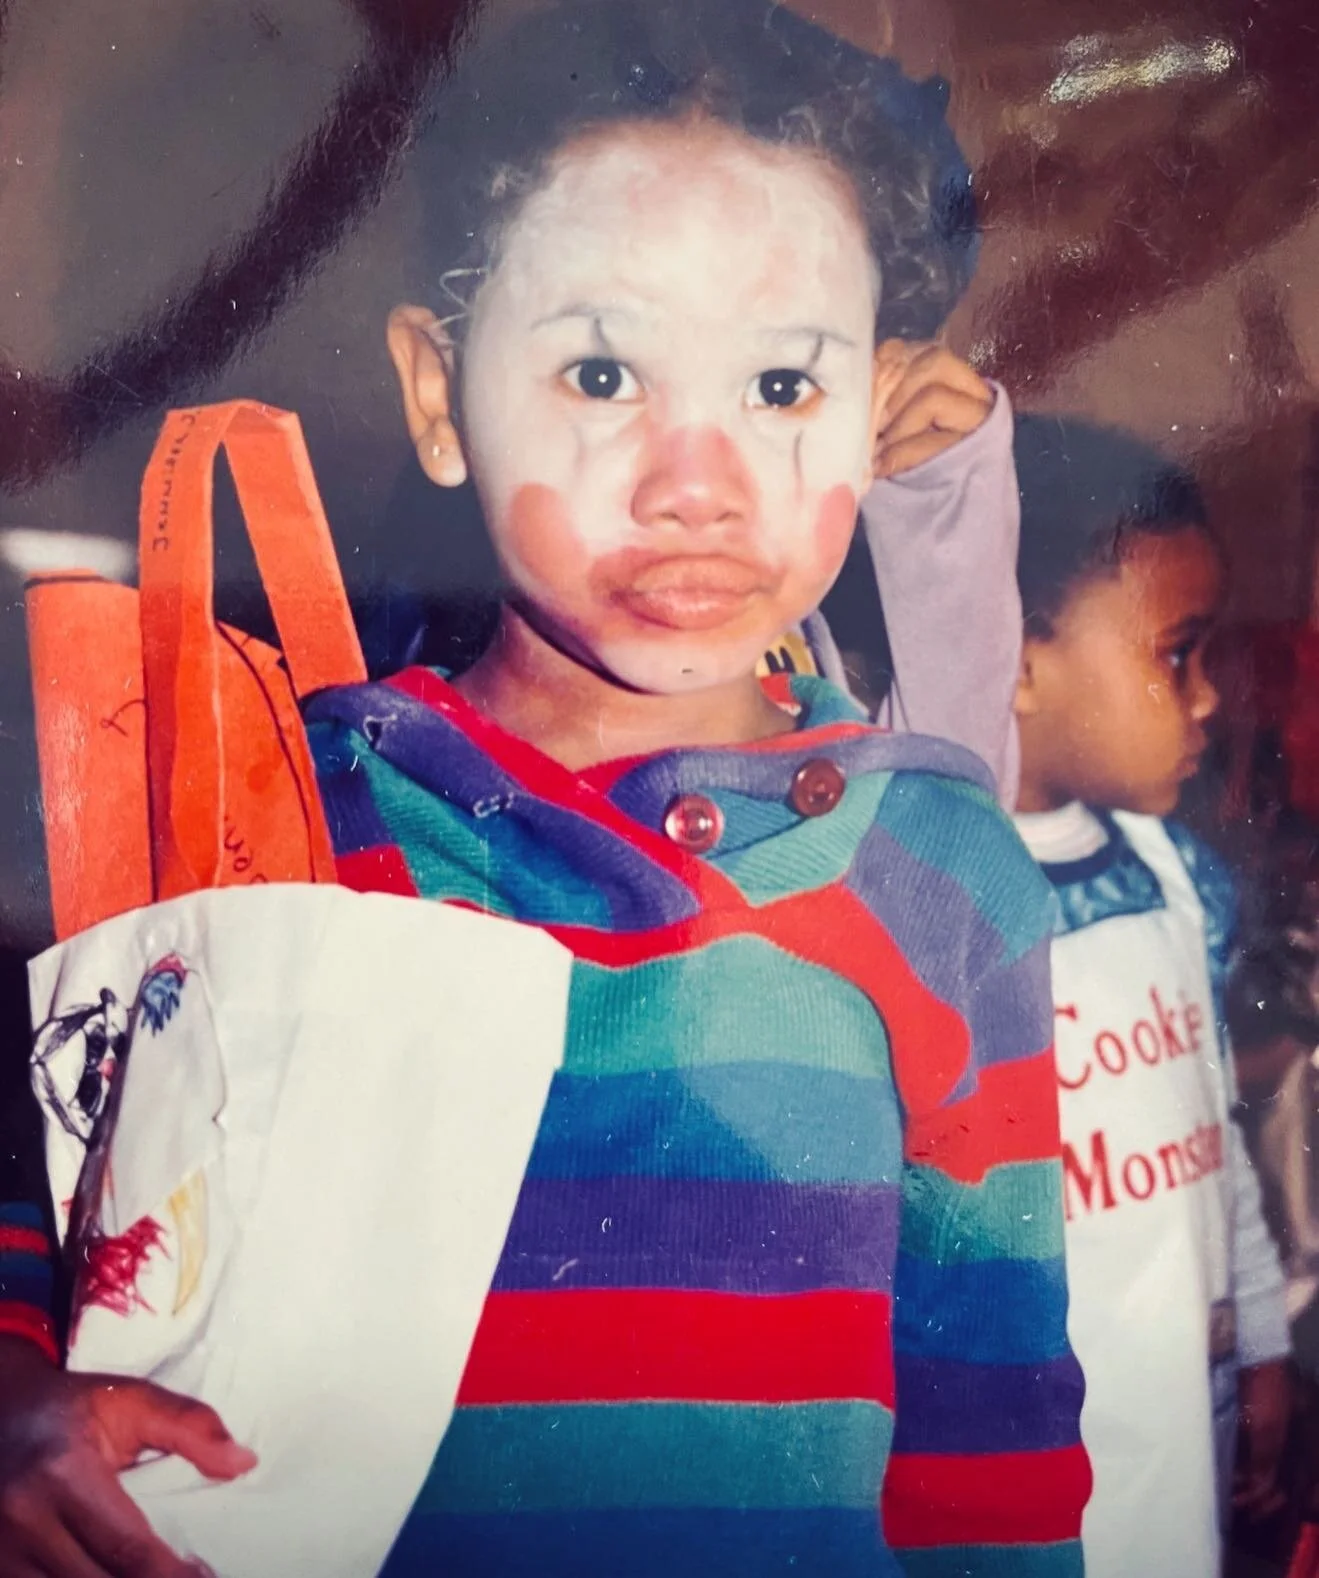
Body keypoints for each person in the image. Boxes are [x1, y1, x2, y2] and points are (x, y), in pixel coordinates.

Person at [0, 4, 1084, 1574]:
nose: (695, 483)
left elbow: (991, 1457)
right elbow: (56, 1180)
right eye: (599, 370)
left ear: (872, 405)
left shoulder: (935, 864)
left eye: (782, 388)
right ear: (438, 397)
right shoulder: (273, 811)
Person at [1010, 412, 1292, 1577]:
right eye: (1175, 654)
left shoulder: (1174, 873)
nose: (1207, 698)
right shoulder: (941, 901)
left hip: (1186, 1425)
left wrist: (1261, 1342)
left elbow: (1209, 1139)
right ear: (1016, 661)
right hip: (1040, 1477)